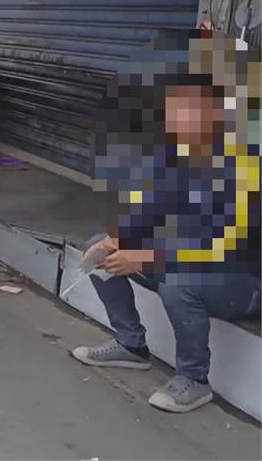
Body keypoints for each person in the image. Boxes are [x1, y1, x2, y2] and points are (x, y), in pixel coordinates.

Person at [72, 32, 261, 414]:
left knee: (179, 277)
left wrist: (144, 258)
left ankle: (194, 379)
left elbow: (220, 242)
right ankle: (131, 345)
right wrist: (117, 239)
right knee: (101, 252)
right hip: (188, 260)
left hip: (242, 280)